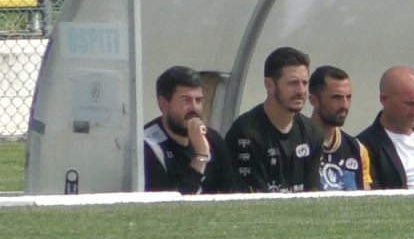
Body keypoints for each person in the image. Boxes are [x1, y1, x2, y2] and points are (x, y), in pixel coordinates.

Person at [225, 47, 323, 193]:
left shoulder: (312, 132)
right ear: (269, 85)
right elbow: (251, 200)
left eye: (304, 83)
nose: (301, 91)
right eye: (293, 83)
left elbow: (314, 194)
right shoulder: (245, 133)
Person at [142, 65, 235, 194]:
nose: (194, 108)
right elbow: (169, 204)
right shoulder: (148, 146)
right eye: (186, 100)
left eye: (199, 100)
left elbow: (230, 195)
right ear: (164, 104)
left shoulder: (213, 139)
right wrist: (200, 156)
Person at [308, 65, 372, 191]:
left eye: (348, 97)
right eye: (336, 97)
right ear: (314, 101)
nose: (344, 105)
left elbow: (365, 198)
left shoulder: (358, 149)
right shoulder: (297, 144)